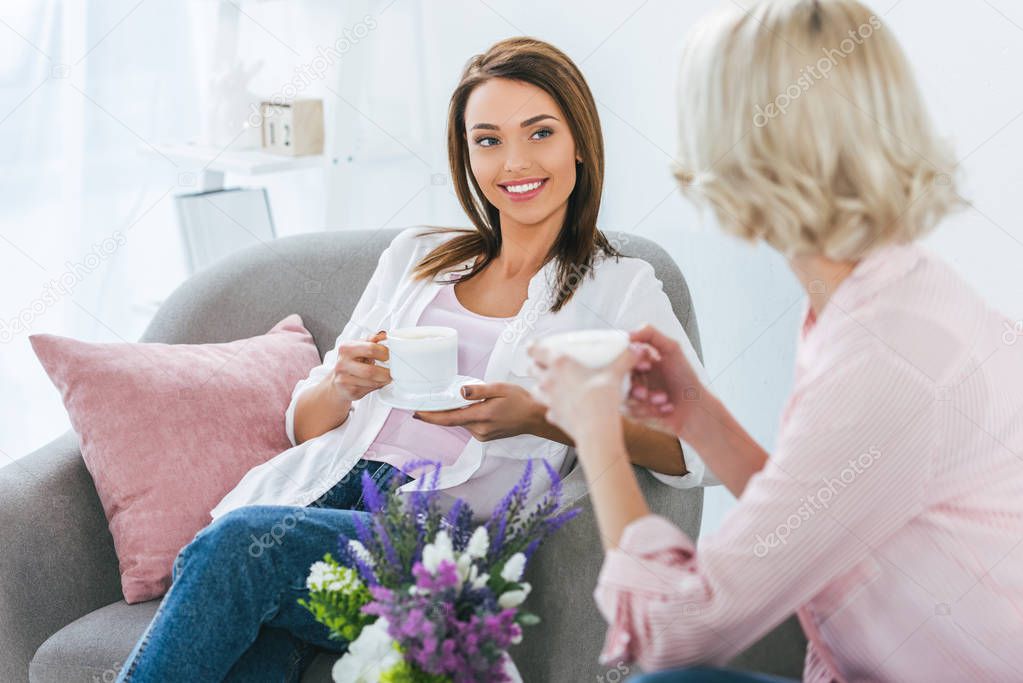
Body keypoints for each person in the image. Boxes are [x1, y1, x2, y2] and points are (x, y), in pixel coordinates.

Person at [117, 37, 716, 682]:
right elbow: (306, 425)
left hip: (443, 543)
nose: (514, 161)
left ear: (579, 141)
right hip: (321, 497)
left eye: (538, 132)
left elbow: (698, 447)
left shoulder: (620, 287)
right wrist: (342, 383)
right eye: (487, 140)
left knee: (234, 551)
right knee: (246, 614)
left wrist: (543, 417)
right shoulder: (419, 257)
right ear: (466, 155)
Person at [530, 1, 1023, 681]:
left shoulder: (887, 355)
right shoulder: (882, 298)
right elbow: (819, 514)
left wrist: (594, 435)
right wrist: (696, 414)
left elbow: (677, 635)